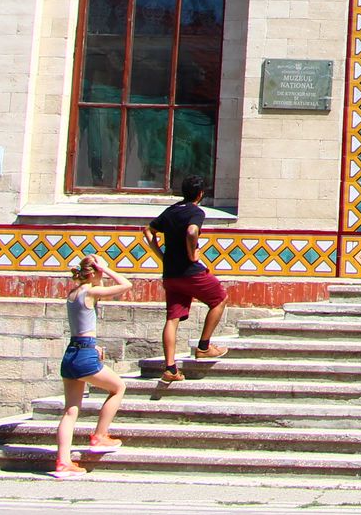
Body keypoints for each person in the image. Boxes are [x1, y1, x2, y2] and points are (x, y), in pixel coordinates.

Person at [51, 253, 132, 478]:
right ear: (95, 271)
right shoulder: (91, 291)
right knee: (118, 387)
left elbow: (81, 326)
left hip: (72, 352)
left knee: (70, 411)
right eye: (101, 271)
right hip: (84, 353)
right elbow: (127, 285)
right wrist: (105, 269)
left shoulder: (72, 294)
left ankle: (63, 462)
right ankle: (100, 435)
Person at [144, 175, 229, 383]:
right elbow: (192, 231)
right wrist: (192, 254)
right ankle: (204, 346)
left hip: (170, 274)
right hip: (190, 272)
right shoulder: (195, 212)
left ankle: (171, 368)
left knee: (172, 319)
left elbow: (148, 230)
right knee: (219, 299)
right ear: (200, 194)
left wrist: (161, 255)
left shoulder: (172, 210)